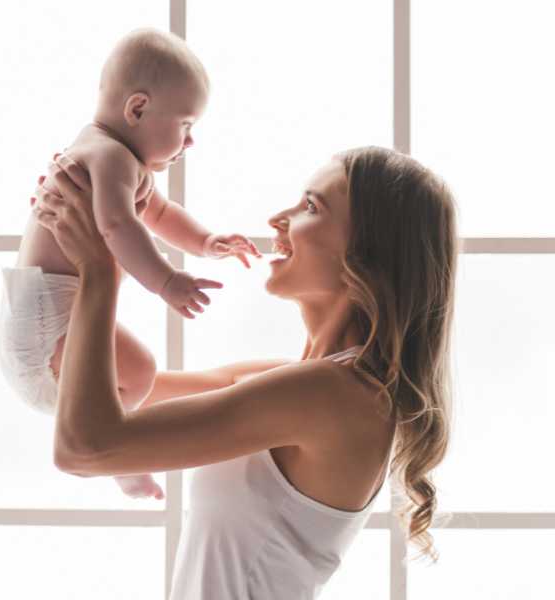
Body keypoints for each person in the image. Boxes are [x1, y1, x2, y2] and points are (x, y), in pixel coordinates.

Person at [32, 146, 458, 599]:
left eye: (311, 207)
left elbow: (84, 449)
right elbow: (112, 392)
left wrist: (98, 269)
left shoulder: (335, 394)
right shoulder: (302, 383)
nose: (279, 218)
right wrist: (79, 234)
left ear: (368, 252)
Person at [0, 27, 259, 500]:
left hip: (39, 324)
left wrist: (204, 242)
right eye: (185, 125)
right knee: (139, 372)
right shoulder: (109, 156)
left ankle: (110, 444)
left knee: (138, 377)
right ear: (137, 108)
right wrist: (166, 282)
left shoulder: (112, 155)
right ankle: (117, 456)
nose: (191, 141)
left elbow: (156, 213)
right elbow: (119, 227)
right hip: (45, 329)